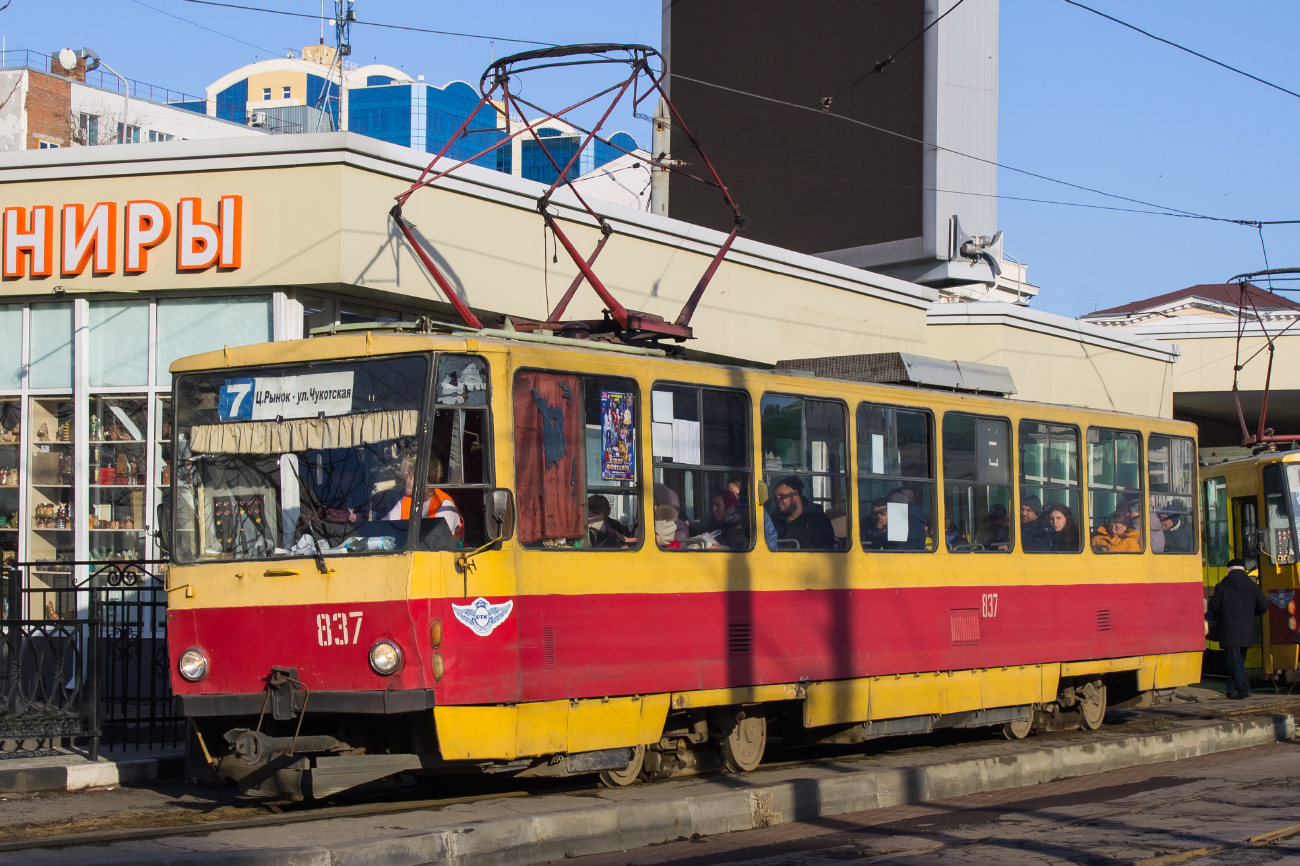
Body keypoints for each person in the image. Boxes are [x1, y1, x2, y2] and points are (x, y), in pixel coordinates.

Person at [1209, 558, 1268, 699]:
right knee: (1238, 661)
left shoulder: (1221, 586)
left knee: (1234, 661)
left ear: (1229, 570)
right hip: (1246, 628)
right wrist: (1252, 614)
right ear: (1243, 569)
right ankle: (1231, 690)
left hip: (1228, 629)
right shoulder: (1253, 586)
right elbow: (1264, 606)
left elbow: (1214, 607)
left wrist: (1212, 617)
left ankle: (1243, 688)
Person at [767, 475, 836, 550]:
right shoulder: (772, 522)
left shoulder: (819, 521)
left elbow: (825, 551)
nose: (777, 500)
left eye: (782, 495)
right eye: (775, 497)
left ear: (796, 494)